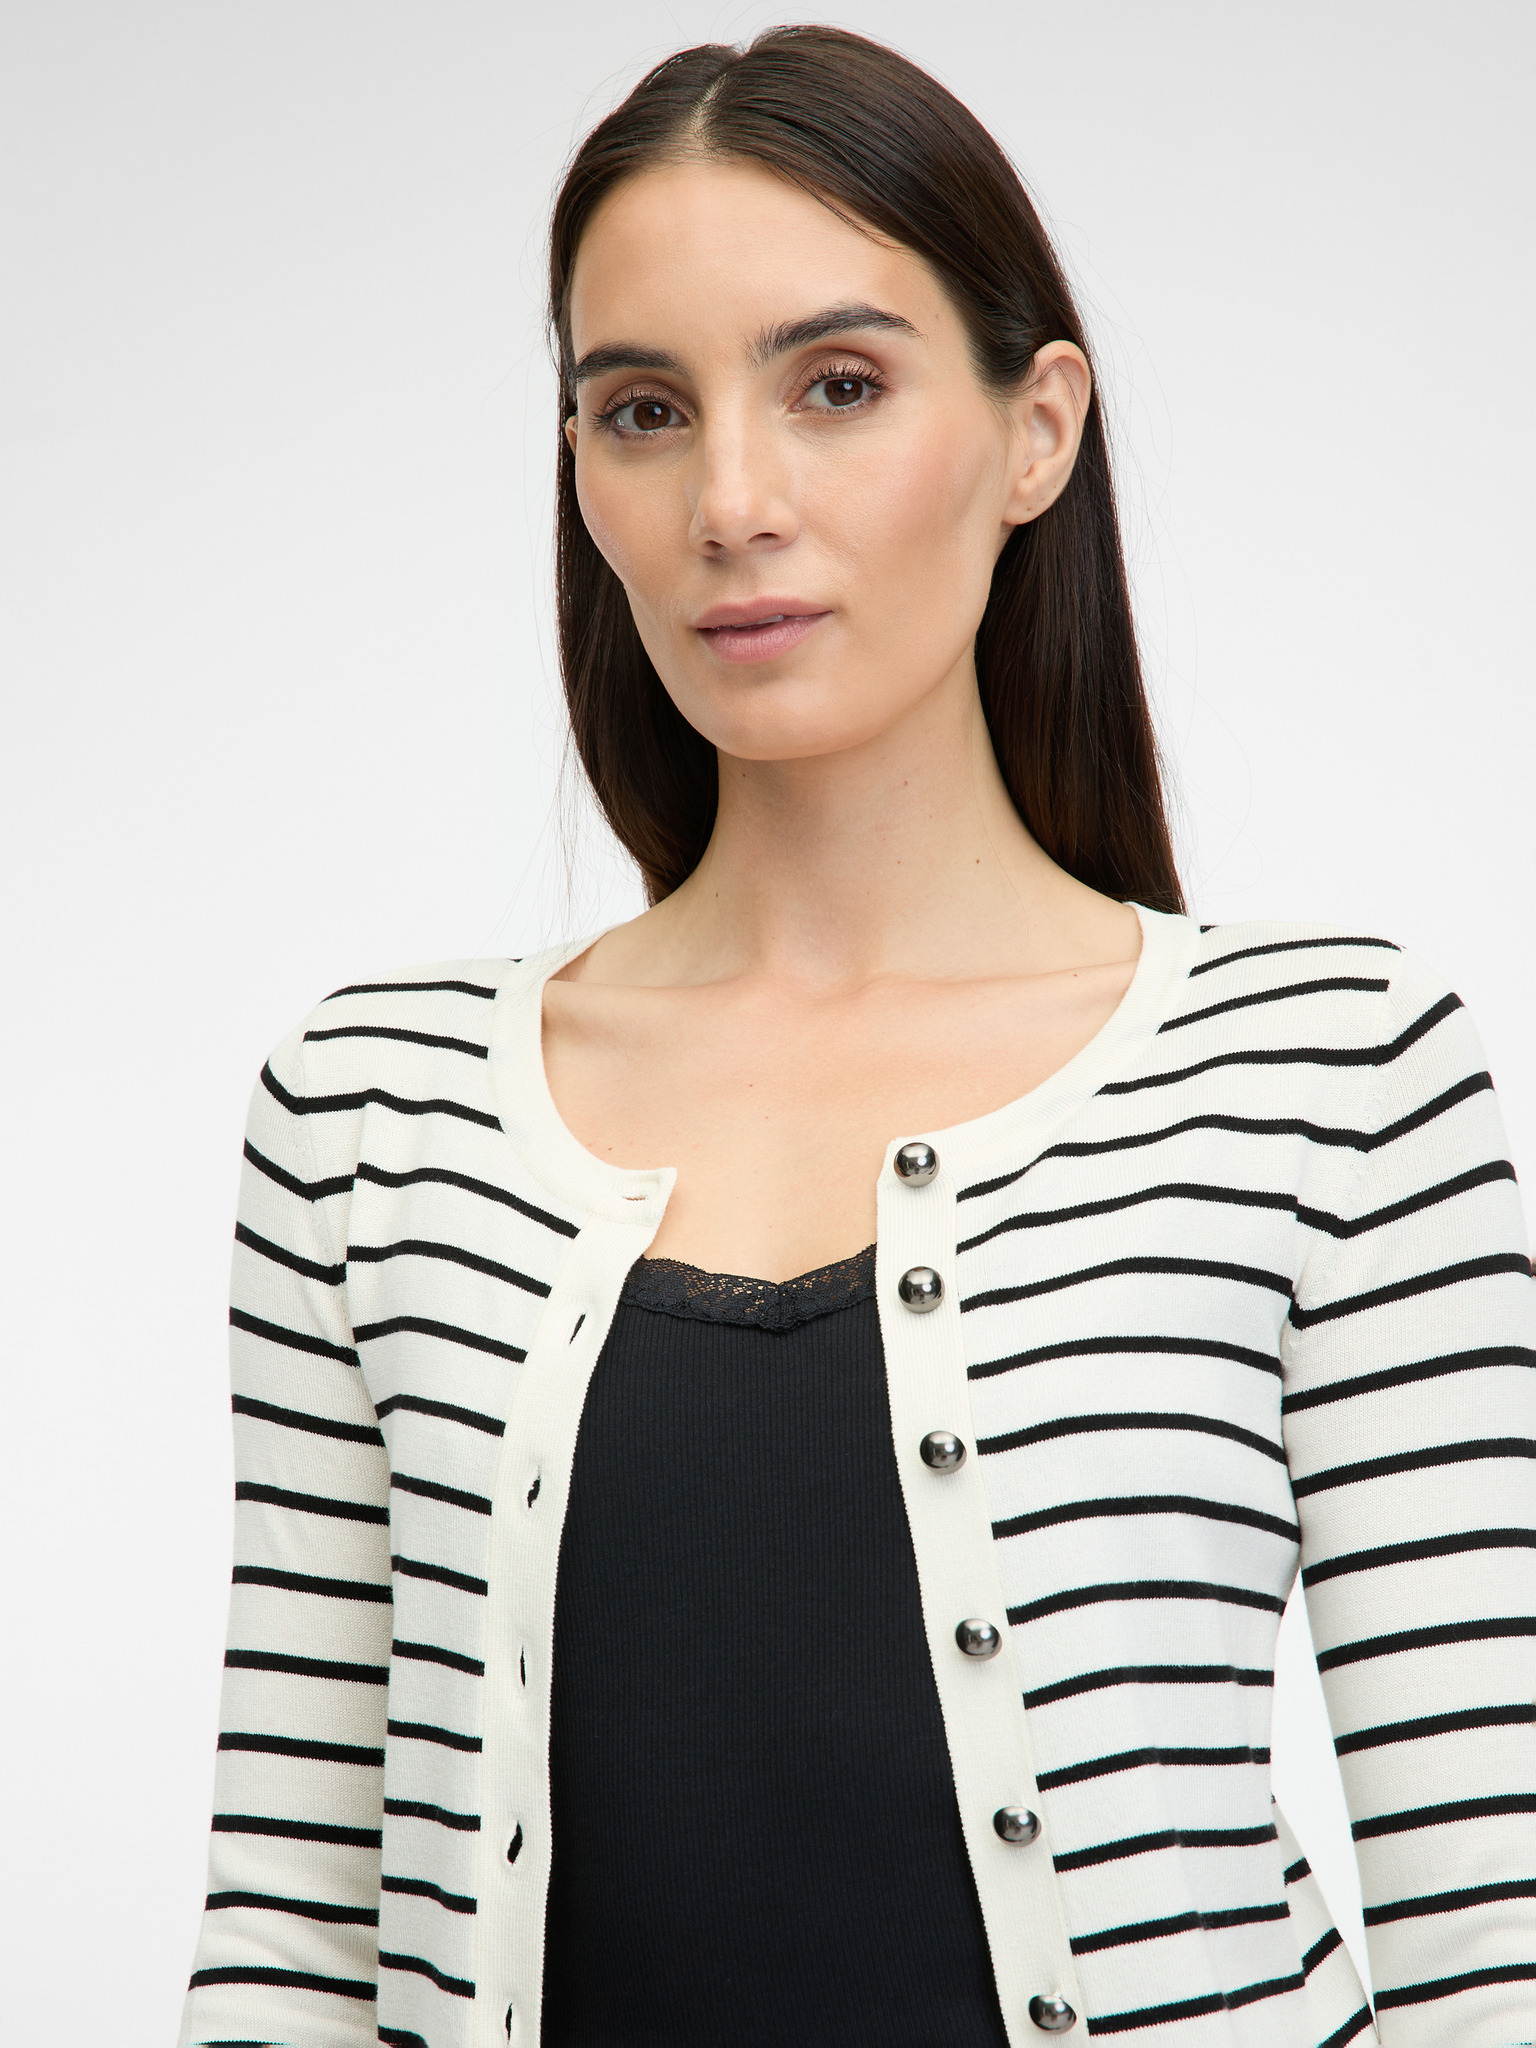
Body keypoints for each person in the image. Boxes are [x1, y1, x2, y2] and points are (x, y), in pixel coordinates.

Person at [177, 26, 1536, 2048]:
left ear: (1035, 431)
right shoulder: (372, 1113)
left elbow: (1492, 1931)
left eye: (836, 385)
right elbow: (290, 1930)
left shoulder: (1333, 1073)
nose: (732, 503)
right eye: (644, 410)